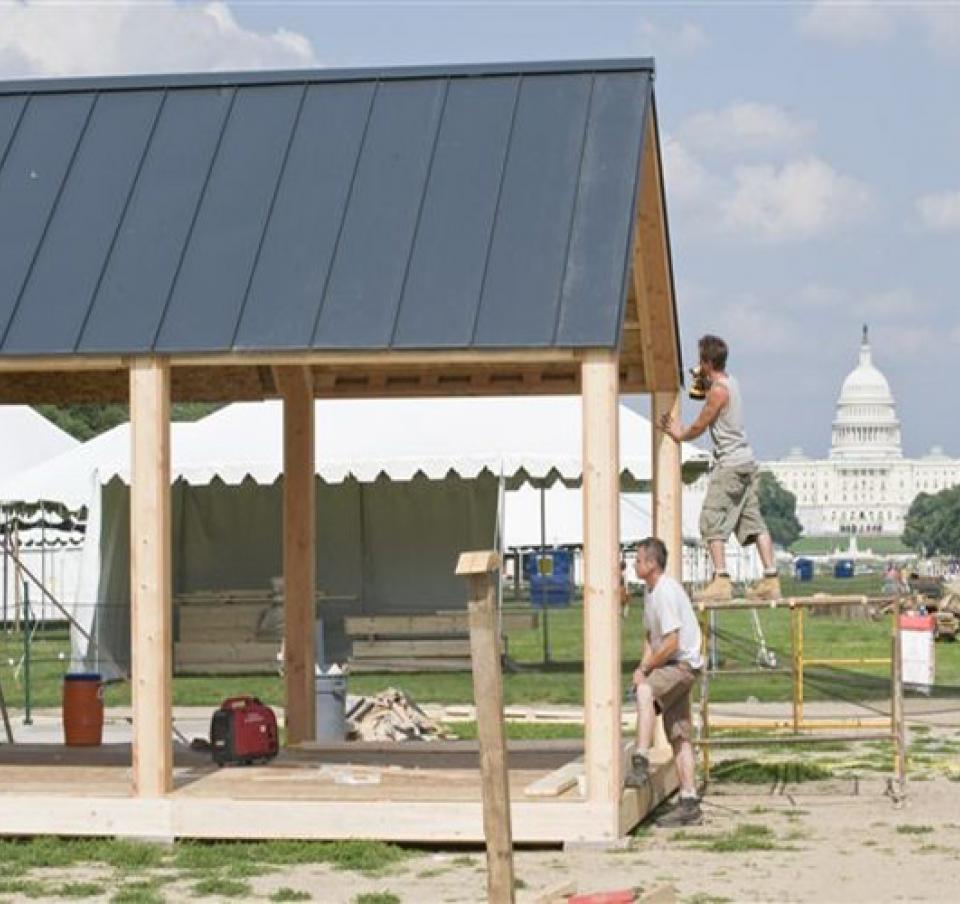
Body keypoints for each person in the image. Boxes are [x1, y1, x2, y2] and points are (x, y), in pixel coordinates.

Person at [659, 334, 781, 602]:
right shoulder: (730, 383)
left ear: (706, 361)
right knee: (753, 522)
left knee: (711, 520)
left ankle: (721, 579)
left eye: (700, 360)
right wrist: (701, 380)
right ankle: (771, 579)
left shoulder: (718, 392)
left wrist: (678, 433)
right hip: (746, 462)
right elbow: (703, 395)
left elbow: (700, 424)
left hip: (729, 465)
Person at [624, 537, 703, 827]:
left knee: (645, 693)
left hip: (681, 665)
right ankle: (689, 801)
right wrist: (643, 667)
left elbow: (671, 642)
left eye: (638, 559)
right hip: (677, 666)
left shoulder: (666, 592)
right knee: (679, 734)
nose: (634, 563)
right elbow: (651, 637)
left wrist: (645, 670)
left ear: (651, 564)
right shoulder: (650, 591)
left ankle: (641, 760)